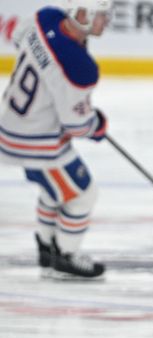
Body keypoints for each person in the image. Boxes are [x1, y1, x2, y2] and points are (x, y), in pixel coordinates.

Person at [0, 0, 110, 280]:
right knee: (83, 194)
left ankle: (47, 248)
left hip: (13, 126)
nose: (105, 21)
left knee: (55, 191)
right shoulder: (78, 66)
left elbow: (15, 33)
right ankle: (66, 256)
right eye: (99, 15)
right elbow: (76, 125)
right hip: (37, 141)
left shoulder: (44, 18)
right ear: (78, 15)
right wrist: (96, 124)